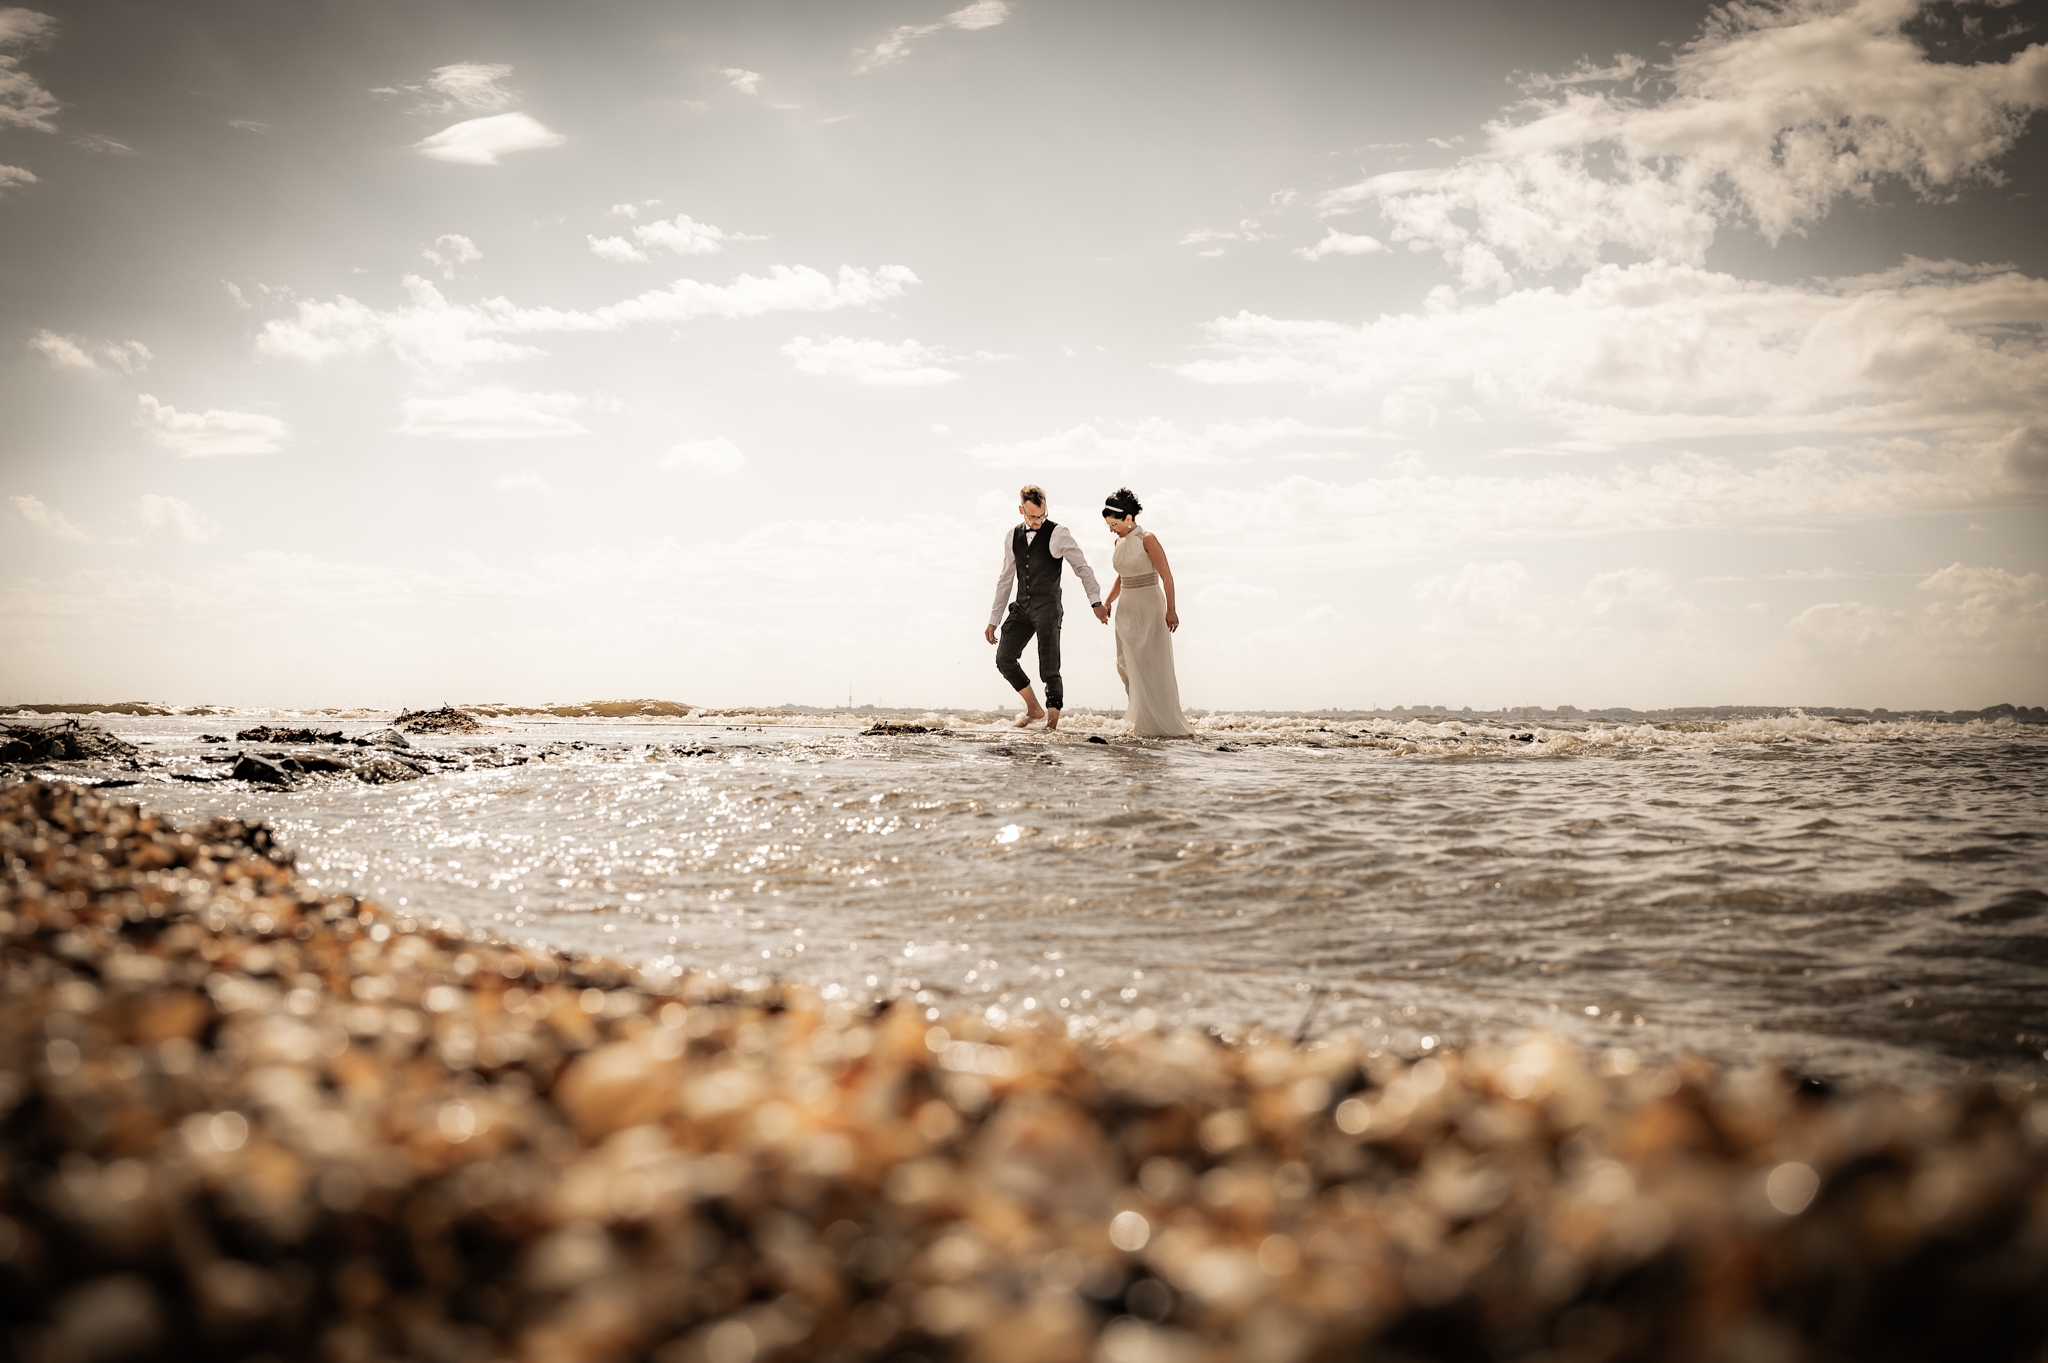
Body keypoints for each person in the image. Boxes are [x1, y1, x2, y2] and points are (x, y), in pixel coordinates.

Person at [985, 484, 1110, 729]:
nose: (1039, 521)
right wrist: (994, 619)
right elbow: (1005, 579)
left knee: (1049, 667)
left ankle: (1051, 728)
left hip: (1048, 608)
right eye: (1033, 517)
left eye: (1043, 515)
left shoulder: (1059, 533)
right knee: (1004, 659)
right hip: (1021, 608)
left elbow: (1082, 568)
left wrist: (1095, 601)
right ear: (1021, 510)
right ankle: (1033, 708)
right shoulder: (1012, 536)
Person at [1102, 487, 1192, 738]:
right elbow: (1122, 577)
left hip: (1150, 607)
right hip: (1126, 610)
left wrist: (1171, 609)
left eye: (1114, 523)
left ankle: (1159, 722)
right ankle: (1142, 718)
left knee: (1150, 664)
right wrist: (1108, 602)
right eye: (1108, 525)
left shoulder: (1147, 539)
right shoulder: (1118, 541)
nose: (1112, 529)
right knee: (1127, 665)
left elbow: (1166, 575)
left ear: (1128, 518)